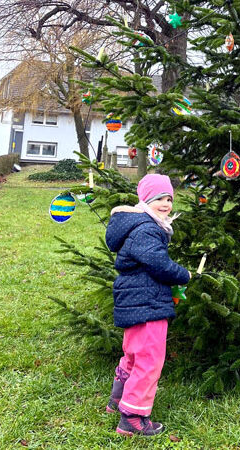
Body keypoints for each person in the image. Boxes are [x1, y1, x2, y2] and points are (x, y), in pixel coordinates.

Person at [103, 174, 192, 436]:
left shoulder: (138, 225)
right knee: (149, 359)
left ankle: (118, 401)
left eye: (168, 199)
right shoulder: (147, 228)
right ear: (145, 200)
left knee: (133, 354)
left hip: (136, 301)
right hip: (147, 302)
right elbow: (157, 263)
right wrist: (182, 274)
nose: (165, 204)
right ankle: (132, 417)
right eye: (158, 199)